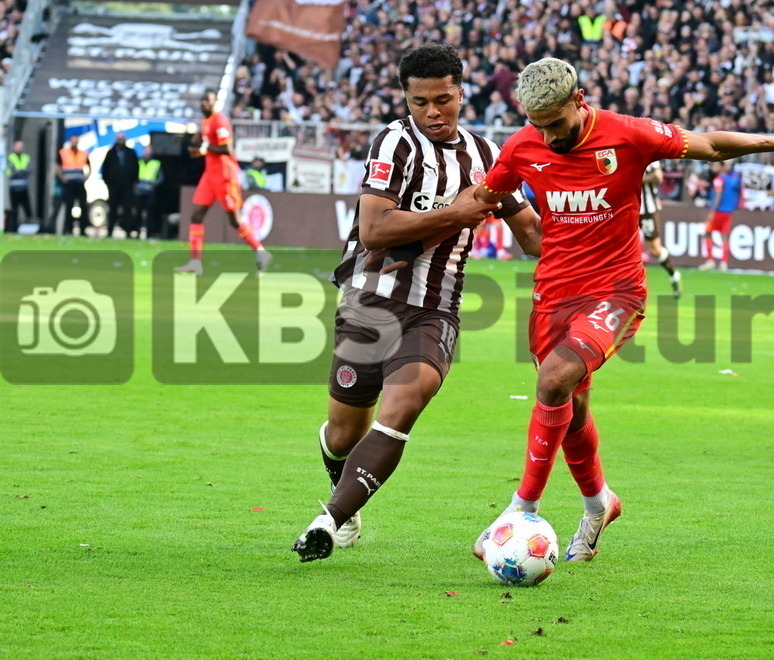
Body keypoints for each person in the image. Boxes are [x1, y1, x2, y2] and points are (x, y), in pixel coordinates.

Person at [458, 58, 774, 562]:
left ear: (579, 100)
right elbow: (485, 197)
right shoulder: (523, 146)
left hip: (616, 292)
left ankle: (521, 509)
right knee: (569, 407)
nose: (548, 136)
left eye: (556, 123)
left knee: (552, 380)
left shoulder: (628, 134)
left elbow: (710, 146)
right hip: (553, 294)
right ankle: (599, 504)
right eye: (537, 125)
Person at [291, 43, 541, 562]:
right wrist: (457, 212)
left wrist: (596, 226)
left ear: (461, 94)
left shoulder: (488, 156)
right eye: (420, 102)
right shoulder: (394, 143)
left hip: (435, 307)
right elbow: (375, 229)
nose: (433, 112)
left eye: (443, 100)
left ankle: (327, 521)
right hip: (369, 301)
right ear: (407, 100)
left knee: (404, 403)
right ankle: (343, 488)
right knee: (343, 434)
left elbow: (532, 235)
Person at [175, 89, 271, 276]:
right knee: (196, 215)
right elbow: (204, 143)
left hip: (225, 175)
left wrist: (204, 148)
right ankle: (195, 262)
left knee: (234, 220)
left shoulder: (220, 121)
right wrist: (197, 146)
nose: (203, 103)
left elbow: (227, 149)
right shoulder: (205, 122)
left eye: (207, 100)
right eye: (202, 100)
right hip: (210, 175)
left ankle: (261, 252)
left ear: (215, 102)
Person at [639, 161, 682, 298]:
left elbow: (658, 176)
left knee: (655, 249)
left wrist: (636, 179)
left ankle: (673, 275)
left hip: (647, 209)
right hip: (627, 208)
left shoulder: (649, 155)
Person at [697, 160, 743, 271]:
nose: (713, 167)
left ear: (721, 166)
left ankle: (710, 261)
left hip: (718, 211)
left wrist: (712, 212)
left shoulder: (719, 179)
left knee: (707, 233)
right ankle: (723, 263)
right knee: (724, 237)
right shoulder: (729, 178)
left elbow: (718, 197)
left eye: (715, 164)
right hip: (728, 212)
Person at [101, 132, 139, 238]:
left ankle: (128, 231)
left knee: (128, 209)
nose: (120, 140)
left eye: (122, 138)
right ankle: (110, 231)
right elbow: (105, 168)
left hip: (127, 186)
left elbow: (136, 168)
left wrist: (134, 182)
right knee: (112, 208)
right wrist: (107, 182)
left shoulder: (131, 152)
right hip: (114, 186)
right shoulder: (111, 153)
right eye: (119, 138)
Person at [54, 134, 90, 235]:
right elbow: (57, 166)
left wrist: (86, 178)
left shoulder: (83, 153)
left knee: (83, 206)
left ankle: (82, 230)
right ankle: (68, 229)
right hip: (69, 183)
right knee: (69, 206)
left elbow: (89, 166)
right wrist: (62, 178)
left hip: (79, 183)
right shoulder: (63, 153)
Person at [135, 145, 163, 239]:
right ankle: (137, 231)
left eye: (149, 151)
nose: (147, 152)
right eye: (146, 150)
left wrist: (154, 184)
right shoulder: (138, 161)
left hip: (150, 191)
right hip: (139, 191)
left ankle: (149, 233)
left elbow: (161, 177)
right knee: (138, 212)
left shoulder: (156, 163)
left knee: (150, 214)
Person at [5, 140, 31, 233]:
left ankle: (29, 228)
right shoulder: (10, 157)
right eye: (18, 147)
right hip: (14, 188)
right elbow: (11, 171)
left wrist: (19, 172)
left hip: (24, 187)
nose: (19, 148)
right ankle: (13, 229)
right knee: (14, 209)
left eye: (21, 147)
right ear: (14, 147)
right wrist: (20, 172)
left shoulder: (26, 157)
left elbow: (29, 170)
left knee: (28, 209)